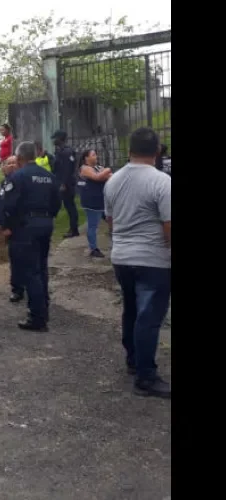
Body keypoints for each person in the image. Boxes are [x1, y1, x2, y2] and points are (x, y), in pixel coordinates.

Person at [104, 127, 171, 399]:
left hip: (121, 257)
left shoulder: (113, 181)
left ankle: (133, 359)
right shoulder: (162, 182)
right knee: (149, 317)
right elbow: (169, 225)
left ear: (129, 151)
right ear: (156, 152)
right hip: (153, 260)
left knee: (131, 310)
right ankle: (146, 376)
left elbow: (111, 221)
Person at [2, 141, 62, 331]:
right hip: (46, 224)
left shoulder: (18, 177)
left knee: (31, 272)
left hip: (26, 227)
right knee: (42, 267)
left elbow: (8, 205)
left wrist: (8, 225)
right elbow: (56, 204)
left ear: (19, 158)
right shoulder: (49, 176)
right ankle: (43, 306)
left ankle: (37, 317)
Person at [0, 155, 25, 303]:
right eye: (9, 163)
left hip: (20, 227)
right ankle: (17, 288)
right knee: (14, 260)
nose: (12, 165)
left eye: (15, 163)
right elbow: (0, 204)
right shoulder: (3, 183)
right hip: (8, 227)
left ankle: (24, 287)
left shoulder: (22, 182)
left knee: (23, 258)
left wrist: (8, 226)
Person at [76, 149, 112, 258]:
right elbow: (97, 177)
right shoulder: (85, 168)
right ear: (86, 158)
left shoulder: (98, 168)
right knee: (93, 225)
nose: (96, 156)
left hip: (101, 201)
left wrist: (104, 172)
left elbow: (110, 177)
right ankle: (93, 248)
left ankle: (115, 242)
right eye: (93, 155)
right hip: (91, 202)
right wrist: (107, 170)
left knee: (111, 220)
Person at [51, 130, 80, 239]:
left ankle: (74, 229)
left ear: (60, 138)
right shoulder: (62, 151)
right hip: (65, 182)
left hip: (67, 184)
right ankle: (73, 228)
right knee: (69, 206)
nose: (54, 140)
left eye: (55, 138)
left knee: (70, 206)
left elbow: (67, 170)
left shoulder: (66, 152)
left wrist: (63, 183)